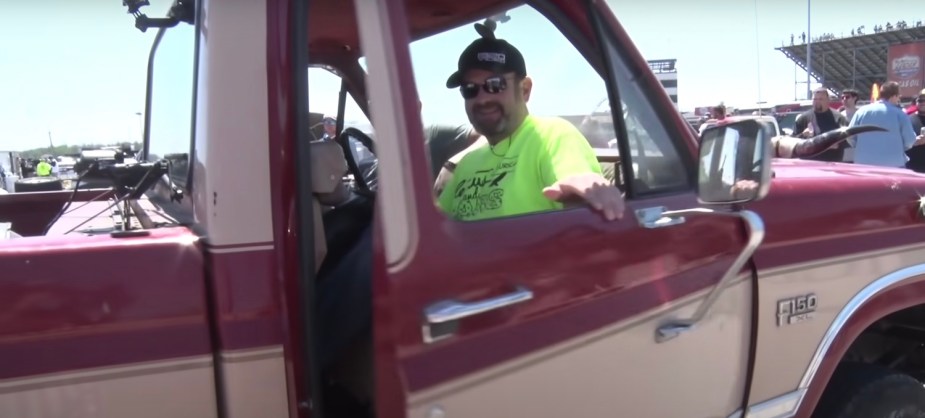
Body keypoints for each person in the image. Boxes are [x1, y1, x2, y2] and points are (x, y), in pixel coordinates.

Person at [436, 21, 624, 221]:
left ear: (524, 89)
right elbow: (434, 229)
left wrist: (588, 189)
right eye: (470, 89)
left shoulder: (551, 136)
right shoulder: (466, 164)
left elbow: (575, 183)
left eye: (495, 85)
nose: (482, 99)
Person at [850, 81, 925, 168]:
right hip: (893, 165)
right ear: (894, 96)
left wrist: (860, 146)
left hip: (863, 163)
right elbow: (909, 141)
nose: (899, 99)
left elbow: (850, 135)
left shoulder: (861, 111)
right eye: (898, 96)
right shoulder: (900, 114)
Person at [791, 87, 849, 162]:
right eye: (815, 99)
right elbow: (792, 141)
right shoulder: (803, 119)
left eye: (820, 99)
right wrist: (803, 135)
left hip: (833, 164)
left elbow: (849, 141)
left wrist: (836, 143)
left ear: (828, 100)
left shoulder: (839, 118)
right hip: (810, 164)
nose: (817, 101)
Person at [906, 89, 925, 172]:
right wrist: (915, 142)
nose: (922, 103)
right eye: (920, 100)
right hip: (913, 166)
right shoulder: (908, 119)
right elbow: (902, 142)